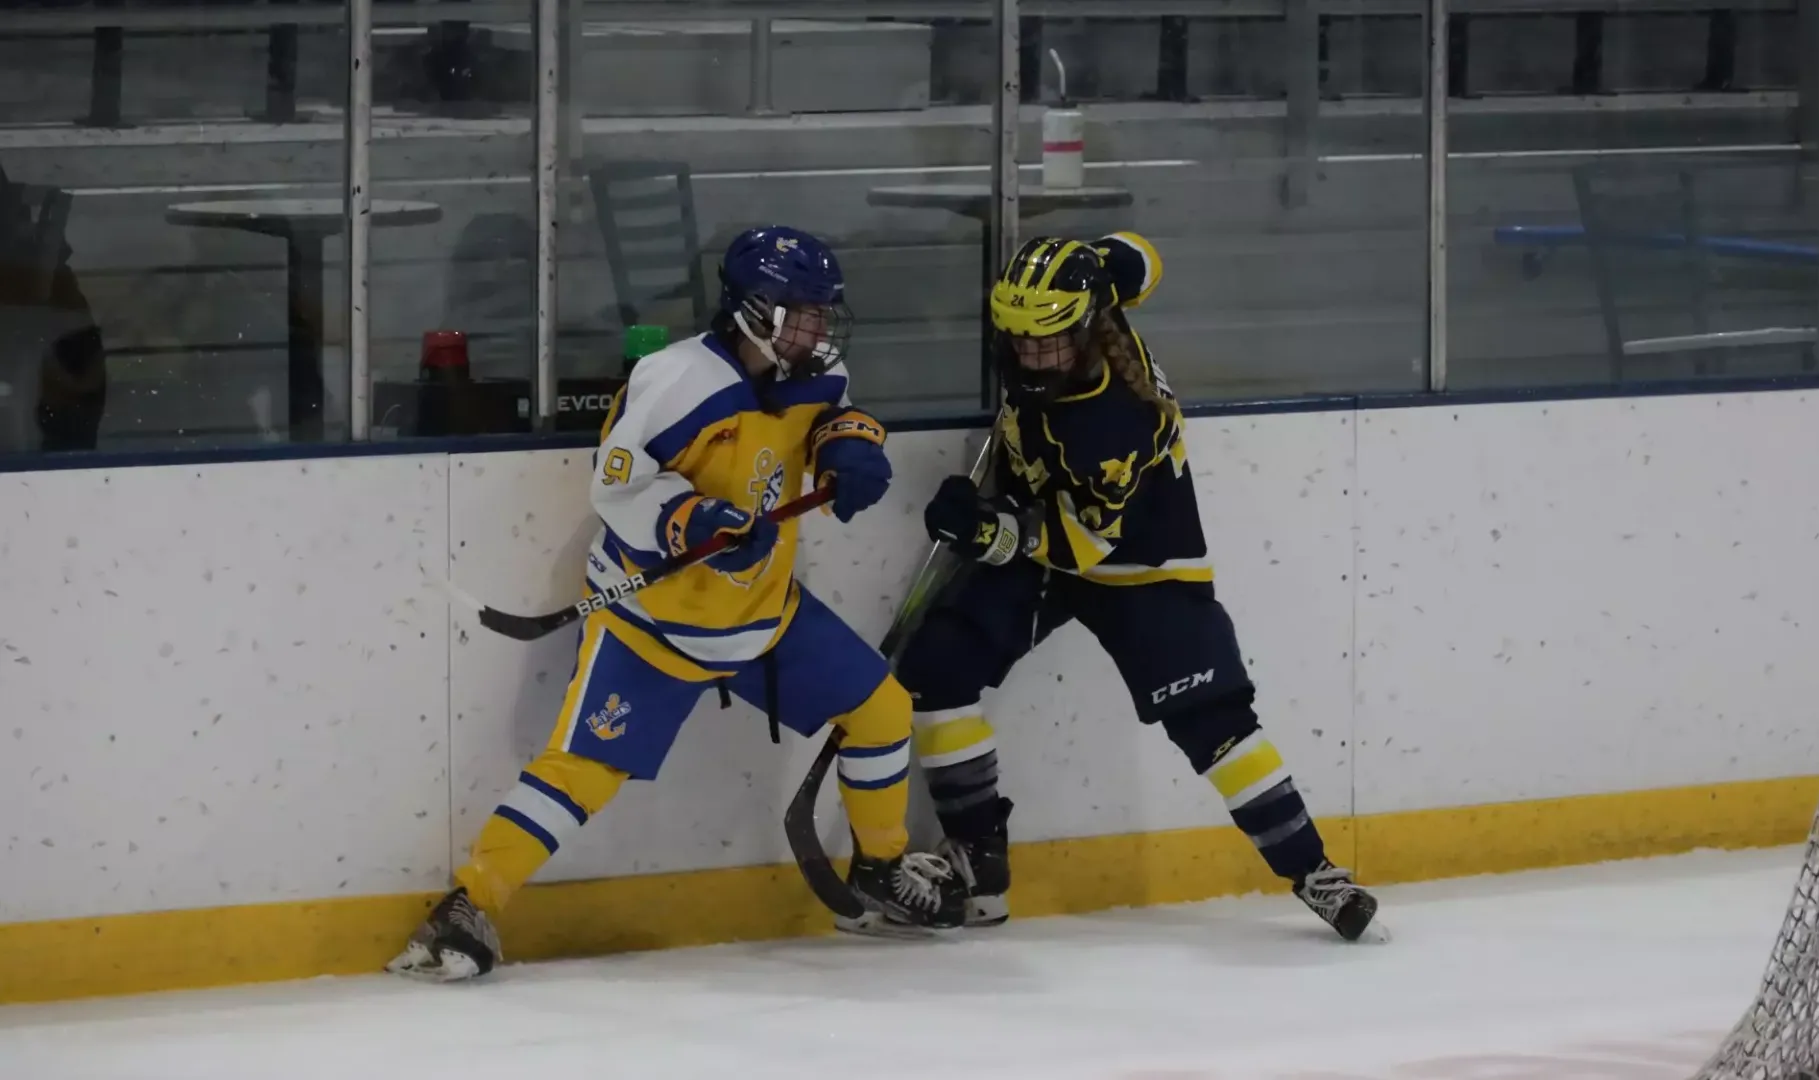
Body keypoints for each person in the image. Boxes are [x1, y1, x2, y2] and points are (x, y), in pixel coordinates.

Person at [389, 226, 969, 982]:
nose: (820, 328)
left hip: (764, 617)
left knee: (881, 710)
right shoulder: (677, 382)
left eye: (824, 313)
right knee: (582, 769)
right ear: (756, 311)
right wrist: (689, 519)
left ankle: (880, 869)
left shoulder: (814, 367)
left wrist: (848, 447)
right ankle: (467, 908)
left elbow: (836, 413)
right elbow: (616, 483)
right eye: (804, 313)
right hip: (652, 626)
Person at [893, 233, 1381, 941]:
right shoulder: (1091, 302)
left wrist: (988, 530)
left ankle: (1317, 874)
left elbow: (1081, 547)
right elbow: (1139, 256)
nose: (1030, 356)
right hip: (1049, 539)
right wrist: (1096, 259)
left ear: (1089, 329)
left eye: (1047, 343)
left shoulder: (1112, 420)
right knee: (936, 667)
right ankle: (977, 869)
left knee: (1213, 722)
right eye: (1019, 340)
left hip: (1144, 567)